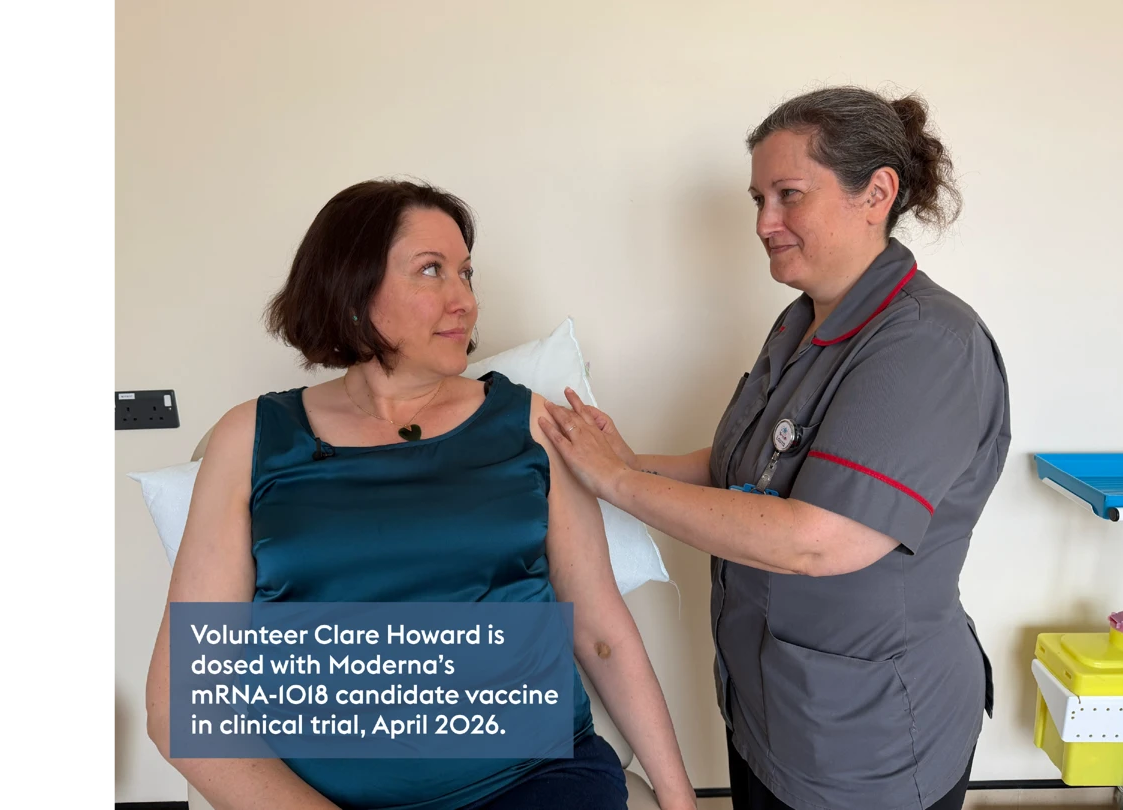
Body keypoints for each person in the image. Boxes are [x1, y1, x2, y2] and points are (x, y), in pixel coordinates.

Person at [144, 179, 695, 810]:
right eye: (432, 270)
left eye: (466, 273)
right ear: (352, 287)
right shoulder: (249, 439)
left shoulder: (530, 426)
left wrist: (680, 801)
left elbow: (601, 633)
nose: (465, 301)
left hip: (532, 781)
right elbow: (183, 700)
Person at [538, 87, 1010, 810]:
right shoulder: (800, 324)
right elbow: (743, 467)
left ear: (876, 193)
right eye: (759, 199)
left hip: (866, 739)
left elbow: (817, 540)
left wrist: (620, 485)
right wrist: (624, 463)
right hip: (769, 705)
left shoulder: (927, 345)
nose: (764, 222)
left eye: (789, 195)